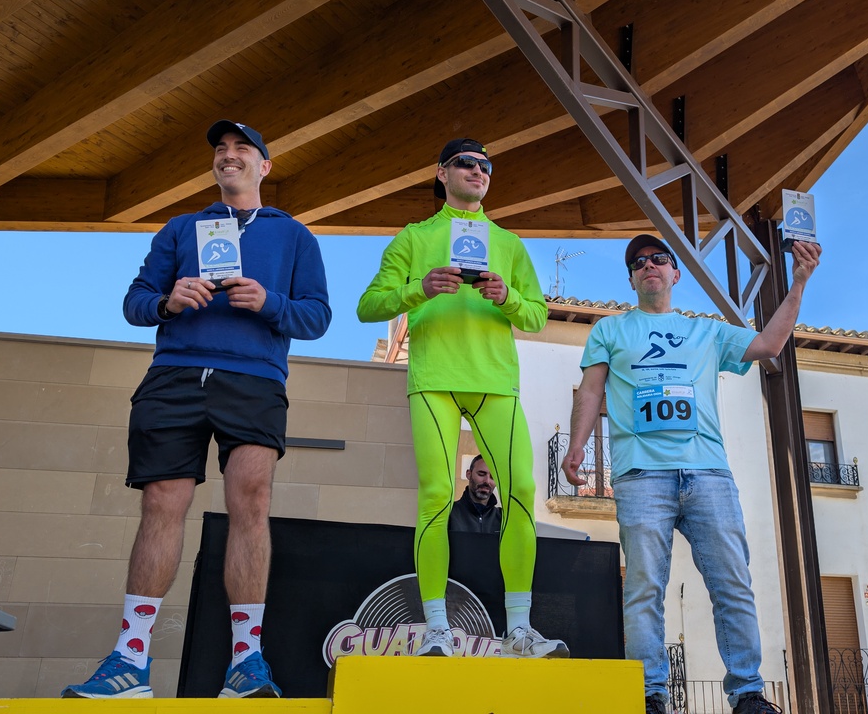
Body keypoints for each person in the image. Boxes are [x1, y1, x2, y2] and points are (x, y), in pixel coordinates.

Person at [62, 121, 331, 699]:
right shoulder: (182, 227)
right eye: (221, 149)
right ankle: (130, 660)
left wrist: (269, 301)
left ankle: (246, 663)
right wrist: (168, 300)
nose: (229, 155)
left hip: (255, 378)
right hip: (174, 376)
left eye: (242, 149)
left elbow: (316, 316)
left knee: (251, 502)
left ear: (264, 166)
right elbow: (135, 301)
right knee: (162, 503)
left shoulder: (294, 236)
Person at [563, 234, 820, 714]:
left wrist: (799, 282)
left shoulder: (707, 332)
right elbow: (591, 390)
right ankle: (649, 696)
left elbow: (769, 343)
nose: (649, 265)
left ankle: (747, 694)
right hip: (640, 476)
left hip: (709, 474)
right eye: (638, 262)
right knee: (643, 589)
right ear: (631, 280)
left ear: (675, 273)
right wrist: (577, 445)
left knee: (733, 584)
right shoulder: (609, 330)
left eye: (659, 258)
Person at [357, 138, 567, 658]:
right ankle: (436, 629)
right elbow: (368, 306)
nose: (478, 171)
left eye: (485, 165)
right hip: (434, 380)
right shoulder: (414, 237)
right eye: (465, 163)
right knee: (434, 495)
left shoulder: (509, 243)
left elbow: (537, 316)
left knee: (521, 489)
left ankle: (519, 629)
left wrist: (508, 297)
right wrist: (420, 288)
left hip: (496, 382)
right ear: (442, 173)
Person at [449, 455, 502, 534]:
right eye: (481, 474)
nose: (487, 481)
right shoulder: (449, 514)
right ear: (468, 474)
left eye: (493, 477)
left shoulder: (503, 518)